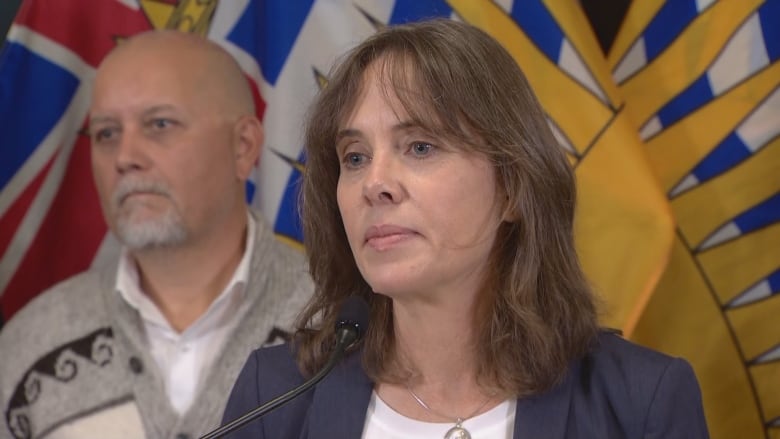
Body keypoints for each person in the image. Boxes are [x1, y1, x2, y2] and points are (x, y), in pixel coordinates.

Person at [221, 18, 710, 439]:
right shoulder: (276, 395)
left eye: (419, 147)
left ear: (513, 189)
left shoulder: (640, 401)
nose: (375, 183)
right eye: (355, 157)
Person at [0, 31, 312, 439]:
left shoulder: (339, 327)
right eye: (106, 133)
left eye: (160, 124)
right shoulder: (30, 345)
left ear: (243, 147)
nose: (126, 157)